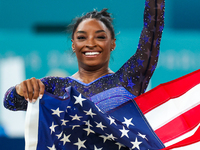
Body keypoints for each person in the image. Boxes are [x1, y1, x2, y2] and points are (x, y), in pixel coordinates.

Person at [4, 0, 165, 114]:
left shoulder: (129, 80)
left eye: (100, 37)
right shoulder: (55, 87)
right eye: (82, 37)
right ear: (73, 45)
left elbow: (153, 31)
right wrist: (20, 90)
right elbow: (10, 103)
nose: (91, 43)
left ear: (112, 43)